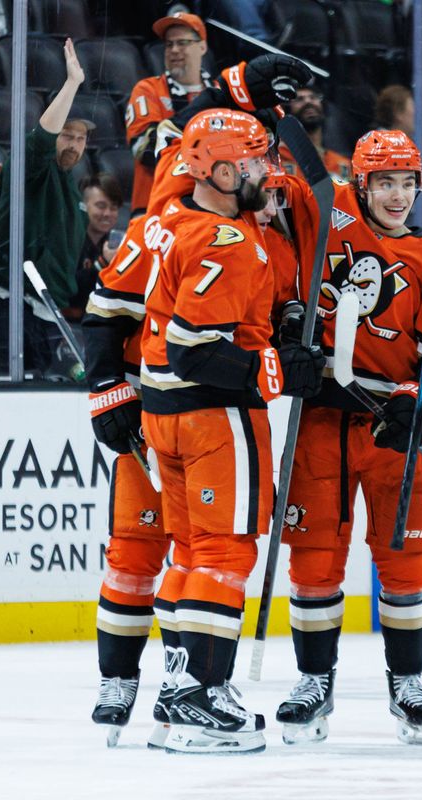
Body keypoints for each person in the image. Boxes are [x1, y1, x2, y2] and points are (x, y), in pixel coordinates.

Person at [273, 129, 422, 747]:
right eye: (382, 182)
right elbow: (289, 168)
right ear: (360, 184)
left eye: (406, 183)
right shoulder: (326, 213)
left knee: (407, 560)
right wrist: (273, 103)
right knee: (313, 560)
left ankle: (407, 680)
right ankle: (314, 681)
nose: (396, 195)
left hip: (394, 428)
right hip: (321, 423)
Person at [136, 108, 324, 754]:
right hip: (214, 416)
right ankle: (202, 696)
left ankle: (182, 685)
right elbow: (195, 348)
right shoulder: (230, 243)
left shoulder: (171, 216)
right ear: (215, 171)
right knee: (224, 553)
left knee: (189, 552)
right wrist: (280, 366)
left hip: (164, 414)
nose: (261, 174)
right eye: (248, 164)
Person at [0, 38, 87, 379]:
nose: (75, 144)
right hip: (4, 302)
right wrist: (72, 83)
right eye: (68, 134)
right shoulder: (30, 166)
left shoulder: (70, 185)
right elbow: (41, 141)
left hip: (45, 311)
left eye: (81, 138)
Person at [125, 12, 218, 215]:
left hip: (211, 211)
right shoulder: (148, 89)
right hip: (154, 211)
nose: (174, 50)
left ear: (202, 47)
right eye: (169, 44)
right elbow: (147, 150)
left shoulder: (220, 92)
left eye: (182, 43)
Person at [68, 172, 122, 321]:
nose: (108, 213)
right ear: (83, 206)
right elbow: (70, 291)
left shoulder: (118, 244)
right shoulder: (68, 240)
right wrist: (102, 264)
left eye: (114, 207)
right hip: (70, 323)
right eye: (101, 206)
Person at [280, 86, 351, 182]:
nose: (308, 101)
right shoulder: (279, 156)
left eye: (313, 97)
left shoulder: (342, 164)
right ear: (287, 112)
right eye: (299, 99)